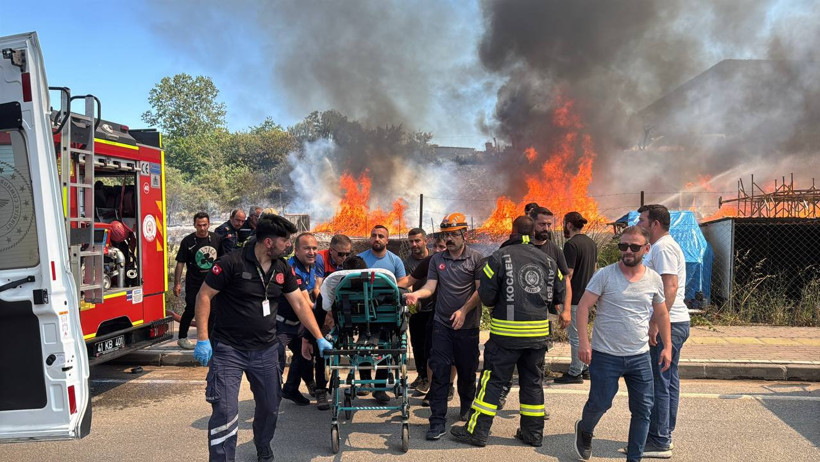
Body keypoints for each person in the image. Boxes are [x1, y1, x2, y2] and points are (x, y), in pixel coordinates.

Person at [193, 213, 332, 462]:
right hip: (229, 350)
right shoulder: (230, 263)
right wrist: (202, 339)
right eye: (285, 240)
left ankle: (263, 444)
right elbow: (204, 296)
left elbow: (300, 304)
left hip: (266, 350)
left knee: (269, 406)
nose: (289, 245)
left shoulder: (282, 269)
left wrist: (318, 337)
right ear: (269, 242)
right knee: (225, 411)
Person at [450, 216, 564, 448]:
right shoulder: (549, 261)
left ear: (512, 231)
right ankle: (533, 434)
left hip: (505, 337)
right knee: (532, 383)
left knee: (492, 382)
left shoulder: (499, 257)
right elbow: (558, 295)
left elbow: (488, 295)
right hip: (537, 337)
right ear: (533, 233)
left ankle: (477, 432)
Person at [573, 225, 672, 462]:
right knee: (600, 402)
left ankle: (634, 459)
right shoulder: (605, 275)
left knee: (643, 410)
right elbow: (584, 306)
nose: (627, 251)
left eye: (634, 247)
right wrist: (584, 343)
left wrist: (667, 346)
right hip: (606, 355)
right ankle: (585, 429)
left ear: (646, 249)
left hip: (639, 356)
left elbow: (662, 314)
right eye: (623, 246)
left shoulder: (654, 279)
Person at [405, 212, 483, 441]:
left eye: (452, 234)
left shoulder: (476, 259)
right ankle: (437, 421)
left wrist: (463, 310)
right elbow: (430, 286)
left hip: (467, 327)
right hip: (441, 325)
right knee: (439, 372)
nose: (448, 239)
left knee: (468, 373)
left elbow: (480, 291)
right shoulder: (437, 260)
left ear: (464, 234)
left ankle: (467, 412)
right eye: (444, 235)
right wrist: (416, 295)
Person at [638, 204, 690, 458]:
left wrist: (656, 323)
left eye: (642, 220)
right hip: (673, 323)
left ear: (654, 224)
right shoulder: (661, 247)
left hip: (669, 324)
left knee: (658, 381)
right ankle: (663, 432)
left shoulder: (663, 247)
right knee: (667, 381)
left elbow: (669, 286)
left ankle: (659, 440)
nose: (639, 224)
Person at [357, 225, 408, 403]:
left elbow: (402, 284)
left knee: (386, 347)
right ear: (370, 238)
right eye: (373, 235)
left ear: (387, 240)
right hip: (362, 313)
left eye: (381, 236)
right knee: (363, 345)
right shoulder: (360, 259)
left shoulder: (395, 261)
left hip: (387, 313)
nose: (376, 238)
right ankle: (364, 382)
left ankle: (379, 387)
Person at [406, 237, 454, 403]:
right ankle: (432, 389)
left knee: (453, 355)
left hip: (456, 314)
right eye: (436, 246)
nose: (438, 250)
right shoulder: (430, 261)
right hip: (434, 313)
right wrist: (387, 286)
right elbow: (410, 280)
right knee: (430, 352)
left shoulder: (465, 261)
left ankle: (449, 386)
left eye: (442, 246)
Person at [554, 211, 598, 384]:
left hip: (574, 299)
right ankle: (585, 368)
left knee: (575, 337)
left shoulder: (571, 245)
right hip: (588, 297)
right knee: (583, 335)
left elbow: (568, 275)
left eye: (565, 224)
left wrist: (561, 299)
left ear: (569, 225)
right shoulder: (591, 243)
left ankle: (575, 372)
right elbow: (595, 269)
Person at [286, 233, 328, 409]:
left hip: (302, 319)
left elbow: (316, 288)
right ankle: (294, 388)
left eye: (314, 248)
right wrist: (325, 313)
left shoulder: (315, 263)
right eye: (307, 248)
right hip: (287, 321)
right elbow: (305, 302)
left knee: (305, 354)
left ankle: (296, 387)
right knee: (304, 354)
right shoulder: (291, 267)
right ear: (296, 250)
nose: (312, 252)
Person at [173, 212, 222, 349]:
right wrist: (177, 283)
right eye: (199, 225)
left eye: (204, 225)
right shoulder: (187, 241)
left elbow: (223, 261)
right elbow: (180, 263)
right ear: (194, 225)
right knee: (191, 309)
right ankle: (182, 337)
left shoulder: (217, 239)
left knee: (213, 310)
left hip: (212, 283)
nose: (202, 228)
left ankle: (211, 339)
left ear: (209, 224)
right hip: (194, 282)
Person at [402, 228, 431, 391]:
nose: (414, 244)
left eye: (417, 240)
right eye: (411, 241)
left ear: (425, 241)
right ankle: (421, 375)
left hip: (434, 310)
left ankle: (428, 379)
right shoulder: (407, 263)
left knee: (430, 347)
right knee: (417, 345)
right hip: (417, 310)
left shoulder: (435, 258)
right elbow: (407, 285)